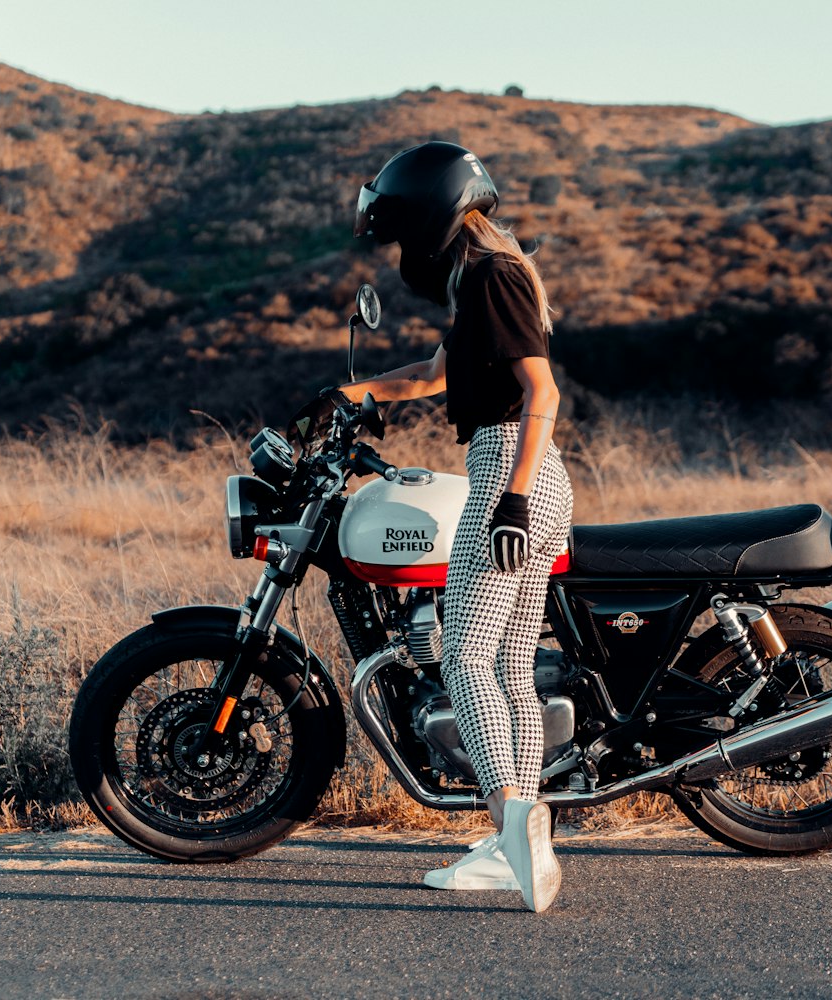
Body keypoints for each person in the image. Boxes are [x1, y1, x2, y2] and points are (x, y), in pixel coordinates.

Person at [340, 141, 573, 913]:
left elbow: (541, 391)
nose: (402, 249)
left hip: (513, 467)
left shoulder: (492, 276)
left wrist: (511, 495)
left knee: (465, 659)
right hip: (529, 474)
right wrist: (350, 394)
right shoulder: (480, 282)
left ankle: (513, 828)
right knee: (507, 668)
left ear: (431, 217)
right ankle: (516, 844)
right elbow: (438, 373)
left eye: (402, 232)